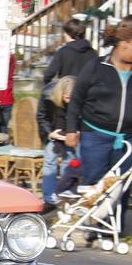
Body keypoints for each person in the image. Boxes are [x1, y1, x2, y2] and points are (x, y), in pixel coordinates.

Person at [65, 16, 132, 188]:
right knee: (93, 187)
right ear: (123, 44)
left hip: (127, 139)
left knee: (120, 186)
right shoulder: (96, 66)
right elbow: (77, 99)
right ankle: (93, 215)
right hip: (95, 137)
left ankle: (116, 216)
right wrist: (71, 130)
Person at [38, 76, 77, 206]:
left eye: (72, 97)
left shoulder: (79, 96)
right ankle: (49, 196)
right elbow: (41, 116)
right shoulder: (48, 95)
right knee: (50, 163)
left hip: (70, 131)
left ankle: (64, 192)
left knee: (69, 161)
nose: (69, 100)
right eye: (66, 97)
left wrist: (75, 132)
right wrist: (50, 133)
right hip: (53, 130)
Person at [42, 18, 96, 88]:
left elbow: (49, 74)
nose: (64, 35)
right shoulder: (92, 53)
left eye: (65, 33)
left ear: (68, 34)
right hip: (86, 92)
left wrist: (49, 86)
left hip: (67, 92)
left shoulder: (63, 52)